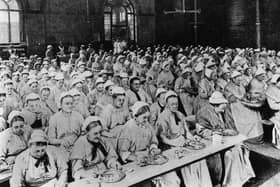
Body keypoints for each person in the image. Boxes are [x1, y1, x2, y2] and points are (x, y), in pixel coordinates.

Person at [196, 91, 255, 187]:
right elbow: (202, 131)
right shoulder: (203, 113)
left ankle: (240, 178)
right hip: (209, 141)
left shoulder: (219, 111)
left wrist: (227, 131)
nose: (223, 111)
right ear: (215, 105)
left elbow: (222, 126)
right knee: (227, 155)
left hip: (221, 138)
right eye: (222, 108)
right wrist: (222, 132)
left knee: (239, 148)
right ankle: (223, 181)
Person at [117, 101, 181, 187]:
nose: (146, 120)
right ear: (135, 116)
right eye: (144, 117)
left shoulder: (147, 125)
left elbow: (153, 141)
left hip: (150, 158)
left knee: (172, 178)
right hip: (136, 163)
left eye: (148, 117)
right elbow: (123, 152)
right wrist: (136, 157)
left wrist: (153, 148)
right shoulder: (127, 129)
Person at [157, 91, 212, 187]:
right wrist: (174, 143)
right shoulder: (163, 117)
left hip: (184, 144)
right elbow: (162, 138)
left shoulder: (179, 114)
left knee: (200, 161)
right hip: (171, 148)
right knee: (188, 164)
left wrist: (192, 138)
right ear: (166, 104)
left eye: (176, 104)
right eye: (172, 104)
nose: (175, 106)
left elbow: (187, 132)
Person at [48, 92, 83, 157]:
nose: (70, 106)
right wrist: (61, 141)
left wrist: (78, 141)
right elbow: (50, 139)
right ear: (61, 105)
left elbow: (83, 133)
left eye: (71, 103)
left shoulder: (79, 116)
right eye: (67, 104)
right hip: (61, 148)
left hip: (77, 146)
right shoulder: (54, 118)